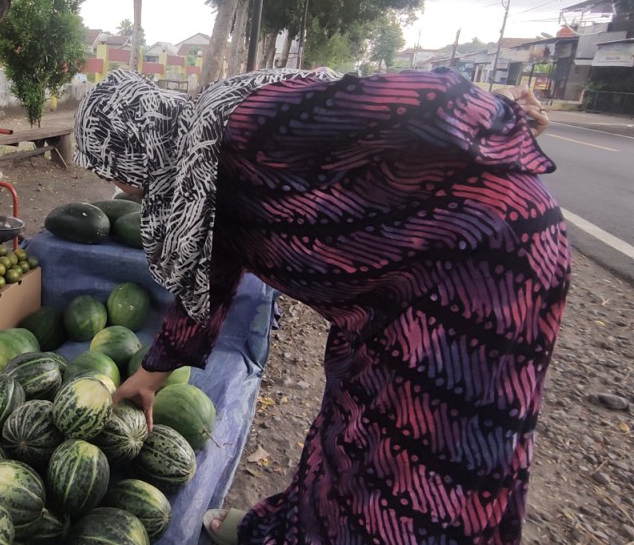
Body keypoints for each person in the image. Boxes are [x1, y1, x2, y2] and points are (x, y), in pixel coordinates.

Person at [73, 67, 567, 544]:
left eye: (109, 170)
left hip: (481, 263)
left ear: (129, 146)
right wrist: (153, 373)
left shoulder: (242, 121)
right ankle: (296, 530)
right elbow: (211, 279)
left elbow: (416, 95)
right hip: (392, 292)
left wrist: (499, 114)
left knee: (417, 462)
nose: (119, 188)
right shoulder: (197, 178)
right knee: (351, 423)